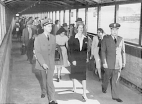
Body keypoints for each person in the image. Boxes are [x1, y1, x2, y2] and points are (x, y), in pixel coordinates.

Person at [34, 18, 57, 104]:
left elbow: (53, 52)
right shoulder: (38, 38)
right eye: (48, 26)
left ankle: (52, 99)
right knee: (44, 80)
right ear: (44, 27)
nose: (50, 28)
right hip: (41, 63)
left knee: (49, 81)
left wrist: (53, 63)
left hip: (51, 63)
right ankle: (44, 91)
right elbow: (38, 52)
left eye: (51, 26)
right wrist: (43, 63)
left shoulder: (53, 38)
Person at [101, 23, 126, 102]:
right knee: (106, 78)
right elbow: (103, 51)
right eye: (113, 30)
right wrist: (104, 62)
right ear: (110, 30)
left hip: (118, 64)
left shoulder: (121, 39)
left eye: (116, 30)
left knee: (115, 80)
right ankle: (104, 87)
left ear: (118, 30)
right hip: (108, 63)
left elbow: (123, 52)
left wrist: (123, 62)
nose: (114, 31)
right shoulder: (106, 39)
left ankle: (115, 96)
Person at [68, 22, 88, 102]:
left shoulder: (85, 38)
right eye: (79, 27)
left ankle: (84, 94)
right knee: (74, 73)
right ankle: (74, 86)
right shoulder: (72, 38)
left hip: (82, 60)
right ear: (76, 29)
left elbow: (85, 50)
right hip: (75, 59)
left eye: (82, 27)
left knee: (84, 76)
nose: (81, 29)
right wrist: (72, 60)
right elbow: (70, 50)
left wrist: (86, 58)